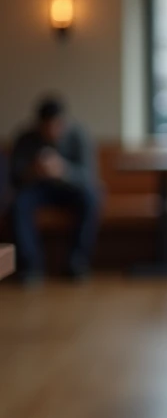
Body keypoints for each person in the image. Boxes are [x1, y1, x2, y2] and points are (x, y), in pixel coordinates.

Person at [8, 95, 100, 283]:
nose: (52, 131)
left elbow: (88, 177)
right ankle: (30, 266)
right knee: (18, 204)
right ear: (38, 125)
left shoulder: (79, 136)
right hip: (38, 189)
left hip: (70, 189)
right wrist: (33, 171)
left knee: (91, 197)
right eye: (46, 127)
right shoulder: (25, 138)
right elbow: (14, 177)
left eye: (56, 125)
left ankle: (77, 263)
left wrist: (63, 170)